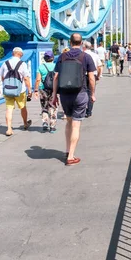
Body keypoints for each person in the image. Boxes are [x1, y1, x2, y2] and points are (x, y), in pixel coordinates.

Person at [52, 33, 96, 166]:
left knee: (69, 122)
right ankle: (71, 156)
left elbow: (56, 77)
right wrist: (92, 94)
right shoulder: (86, 56)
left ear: (70, 43)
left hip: (65, 94)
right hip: (80, 93)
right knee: (76, 125)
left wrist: (54, 95)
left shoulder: (62, 56)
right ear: (81, 43)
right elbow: (91, 78)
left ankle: (67, 150)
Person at [0, 47, 32, 136]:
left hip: (8, 89)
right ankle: (25, 123)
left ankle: (9, 129)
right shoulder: (22, 64)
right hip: (20, 90)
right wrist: (30, 90)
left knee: (9, 109)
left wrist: (6, 85)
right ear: (21, 55)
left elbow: (1, 76)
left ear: (12, 53)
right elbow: (26, 78)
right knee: (23, 107)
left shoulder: (5, 63)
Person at [34, 50, 57, 132]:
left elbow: (38, 79)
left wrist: (36, 90)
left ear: (44, 58)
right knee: (53, 106)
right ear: (53, 58)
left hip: (43, 89)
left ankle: (45, 123)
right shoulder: (56, 66)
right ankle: (52, 126)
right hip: (54, 89)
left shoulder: (41, 67)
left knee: (44, 106)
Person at [83, 41, 102, 118]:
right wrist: (98, 75)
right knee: (91, 93)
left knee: (83, 92)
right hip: (93, 76)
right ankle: (89, 111)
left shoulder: (82, 55)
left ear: (84, 47)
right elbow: (99, 66)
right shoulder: (95, 55)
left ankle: (83, 109)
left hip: (83, 76)